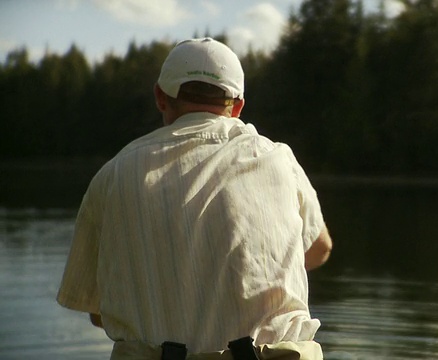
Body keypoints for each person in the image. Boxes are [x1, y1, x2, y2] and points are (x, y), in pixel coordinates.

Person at [57, 37, 332, 360]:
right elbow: (320, 248)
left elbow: (97, 308)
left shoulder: (114, 173)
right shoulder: (278, 160)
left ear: (161, 97)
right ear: (238, 106)